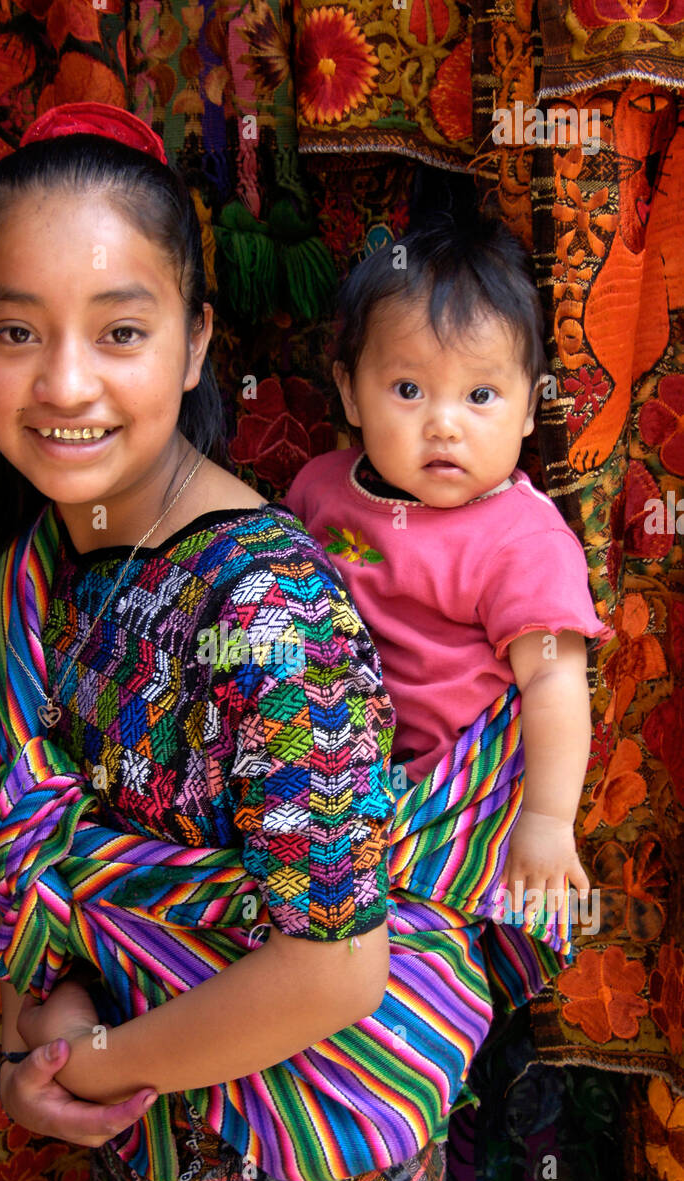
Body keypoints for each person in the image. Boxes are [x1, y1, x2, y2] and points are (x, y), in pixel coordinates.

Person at [0, 103, 455, 1181]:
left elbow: (334, 965)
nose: (64, 380)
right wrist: (62, 1031)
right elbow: (99, 878)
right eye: (16, 329)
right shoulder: (51, 563)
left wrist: (95, 1062)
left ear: (192, 345)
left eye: (119, 329)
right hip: (153, 1167)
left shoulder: (266, 611)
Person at [286, 214, 611, 936]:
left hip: (448, 799)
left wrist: (549, 820)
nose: (444, 424)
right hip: (325, 774)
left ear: (531, 406)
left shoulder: (521, 540)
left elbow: (555, 680)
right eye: (408, 390)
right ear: (348, 393)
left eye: (481, 396)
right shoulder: (319, 490)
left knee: (417, 958)